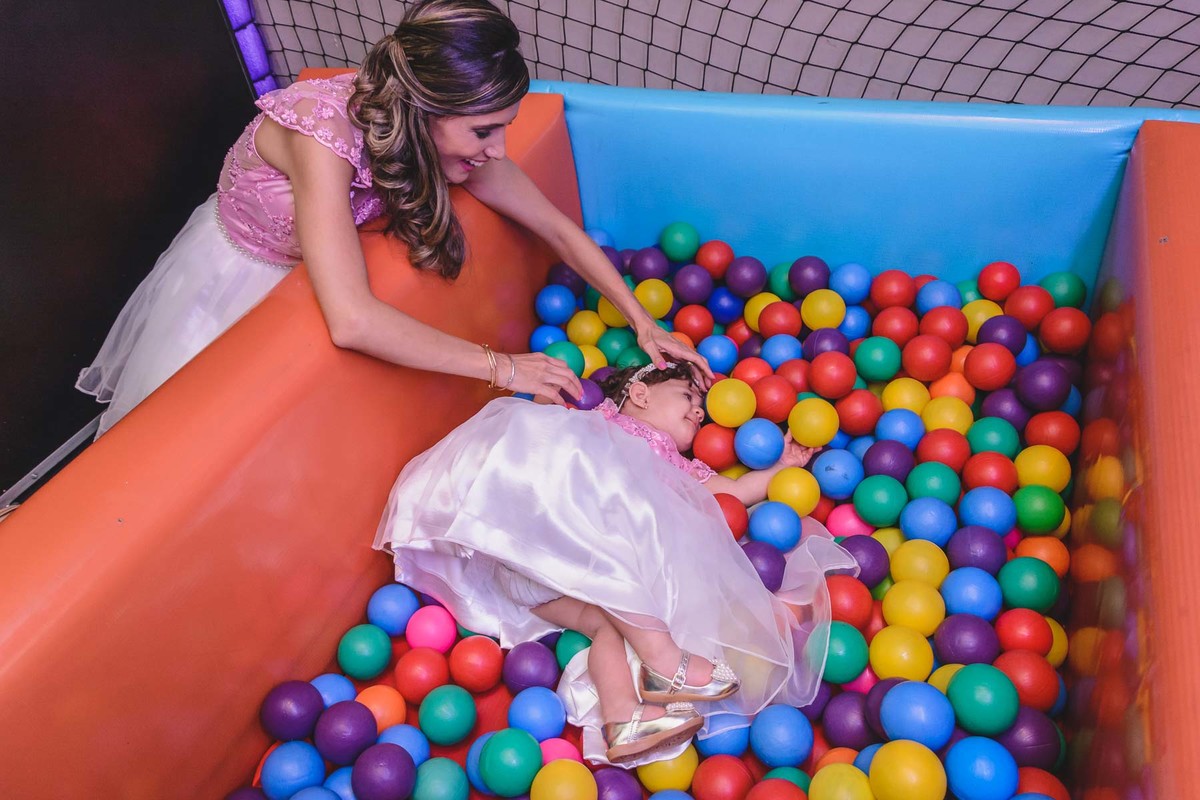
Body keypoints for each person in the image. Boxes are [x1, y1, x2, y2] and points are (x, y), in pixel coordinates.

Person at [77, 0, 707, 437]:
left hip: (311, 284)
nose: (498, 151)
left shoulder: (439, 136)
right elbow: (352, 320)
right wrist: (506, 367)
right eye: (484, 131)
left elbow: (556, 227)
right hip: (236, 284)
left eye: (504, 128)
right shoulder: (322, 136)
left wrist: (642, 321)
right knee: (188, 435)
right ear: (426, 109)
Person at [374, 363, 858, 765]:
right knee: (618, 515)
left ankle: (623, 718)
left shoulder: (676, 466)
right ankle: (664, 660)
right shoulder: (601, 424)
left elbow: (728, 494)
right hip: (530, 541)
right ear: (640, 394)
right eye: (687, 396)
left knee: (609, 625)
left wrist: (783, 466)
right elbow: (545, 450)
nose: (698, 410)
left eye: (700, 408)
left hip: (548, 585)